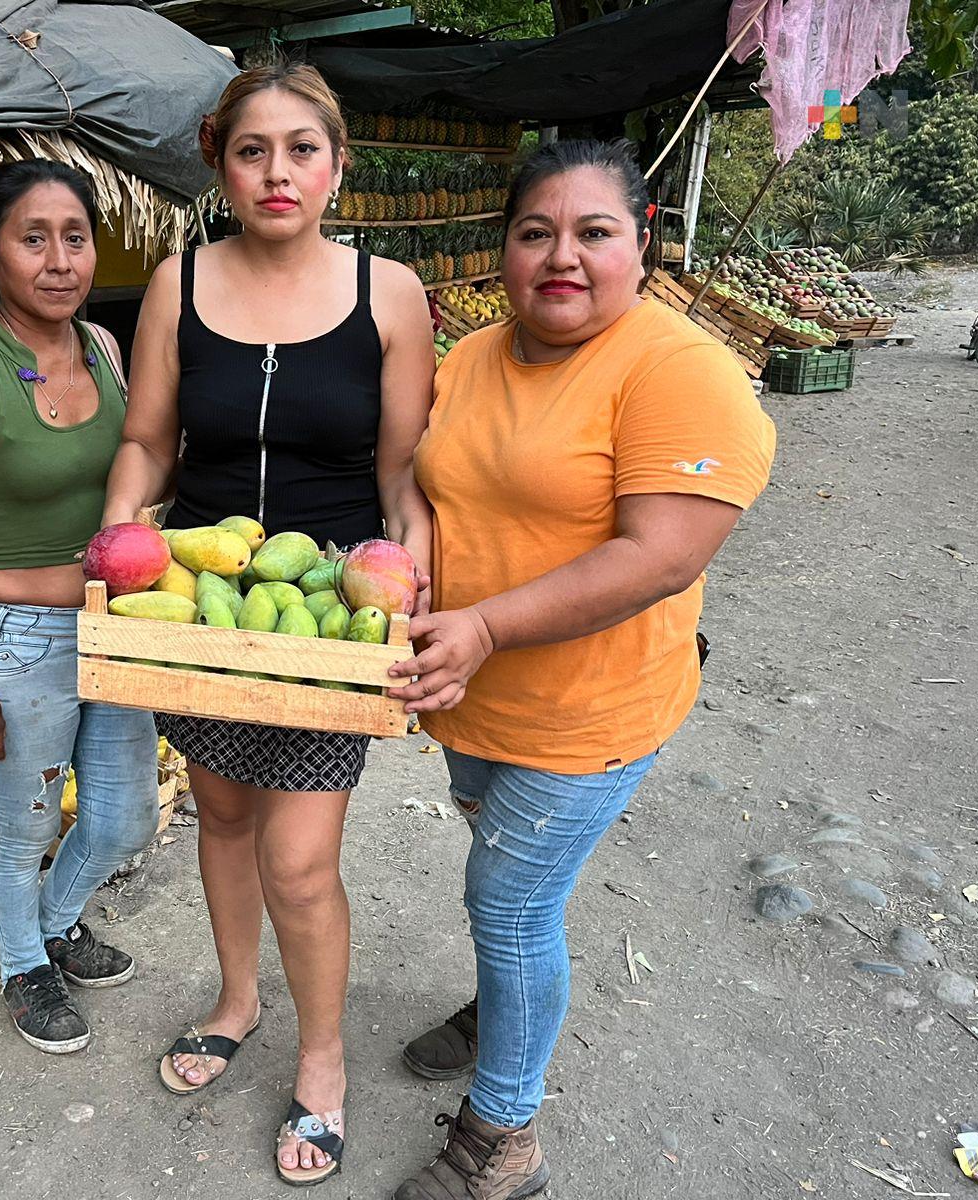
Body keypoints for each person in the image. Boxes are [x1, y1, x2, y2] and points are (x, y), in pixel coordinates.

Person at [389, 138, 777, 1199]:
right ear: (502, 250)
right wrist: (411, 570)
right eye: (534, 232)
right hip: (471, 696)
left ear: (640, 246)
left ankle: (501, 1144)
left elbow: (662, 554)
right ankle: (505, 1004)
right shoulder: (472, 356)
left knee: (506, 904)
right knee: (511, 890)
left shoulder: (678, 371)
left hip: (589, 710)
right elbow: (426, 483)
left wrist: (480, 628)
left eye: (594, 232)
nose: (562, 255)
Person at [101, 62, 434, 1186]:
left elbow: (403, 478)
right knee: (224, 815)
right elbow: (149, 443)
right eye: (253, 150)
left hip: (326, 613)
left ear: (338, 166)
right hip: (201, 610)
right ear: (219, 163)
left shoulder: (390, 295)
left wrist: (409, 591)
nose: (277, 172)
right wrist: (120, 540)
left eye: (302, 149)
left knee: (299, 862)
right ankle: (237, 1001)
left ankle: (324, 1061)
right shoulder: (173, 284)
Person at [0, 160, 159, 1056]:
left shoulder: (107, 351)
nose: (59, 260)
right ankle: (23, 965)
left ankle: (56, 921)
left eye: (75, 237)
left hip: (113, 629)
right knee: (23, 825)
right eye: (32, 239)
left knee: (125, 816)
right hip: (18, 640)